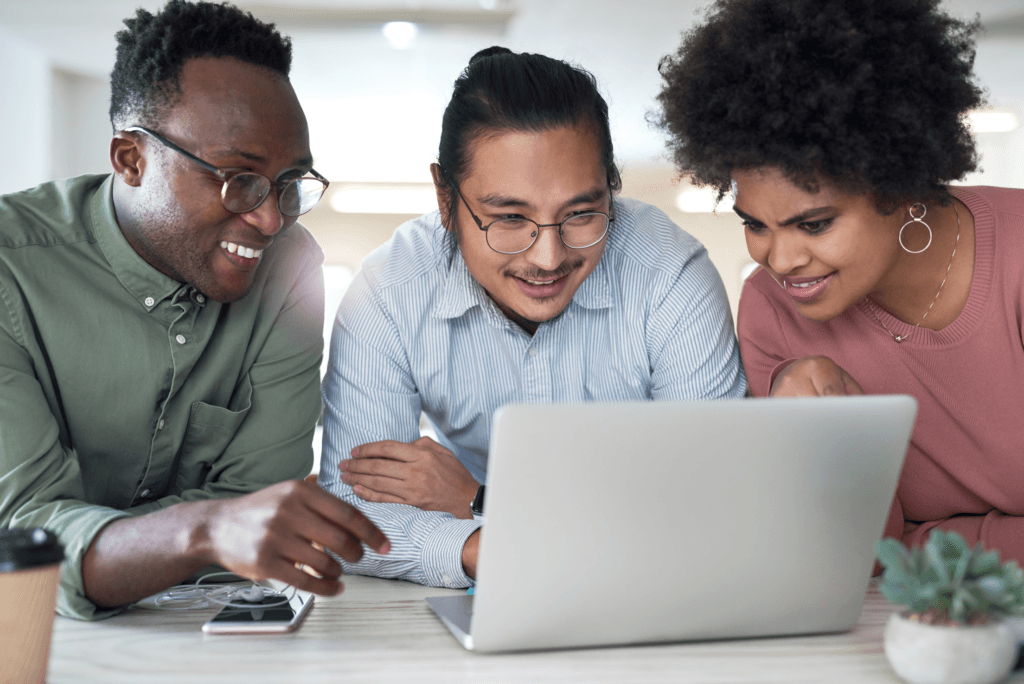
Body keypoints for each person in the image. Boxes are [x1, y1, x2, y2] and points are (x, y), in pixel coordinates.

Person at [0, 0, 389, 621]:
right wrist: (203, 529)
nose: (270, 218)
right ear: (131, 159)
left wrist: (125, 542)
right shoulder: (9, 268)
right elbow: (21, 541)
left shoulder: (289, 267)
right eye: (238, 177)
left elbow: (261, 508)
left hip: (196, 637)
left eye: (290, 183)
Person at [319, 47, 747, 589]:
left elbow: (716, 499)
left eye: (580, 214)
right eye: (510, 218)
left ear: (611, 187)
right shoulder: (389, 292)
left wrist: (475, 500)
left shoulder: (670, 272)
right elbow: (350, 515)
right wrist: (491, 550)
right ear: (446, 200)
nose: (548, 258)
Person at [656, 0, 1024, 561]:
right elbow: (863, 553)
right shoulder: (771, 315)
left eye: (815, 224)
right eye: (755, 225)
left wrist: (935, 544)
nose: (779, 260)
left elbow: (904, 552)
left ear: (900, 186)